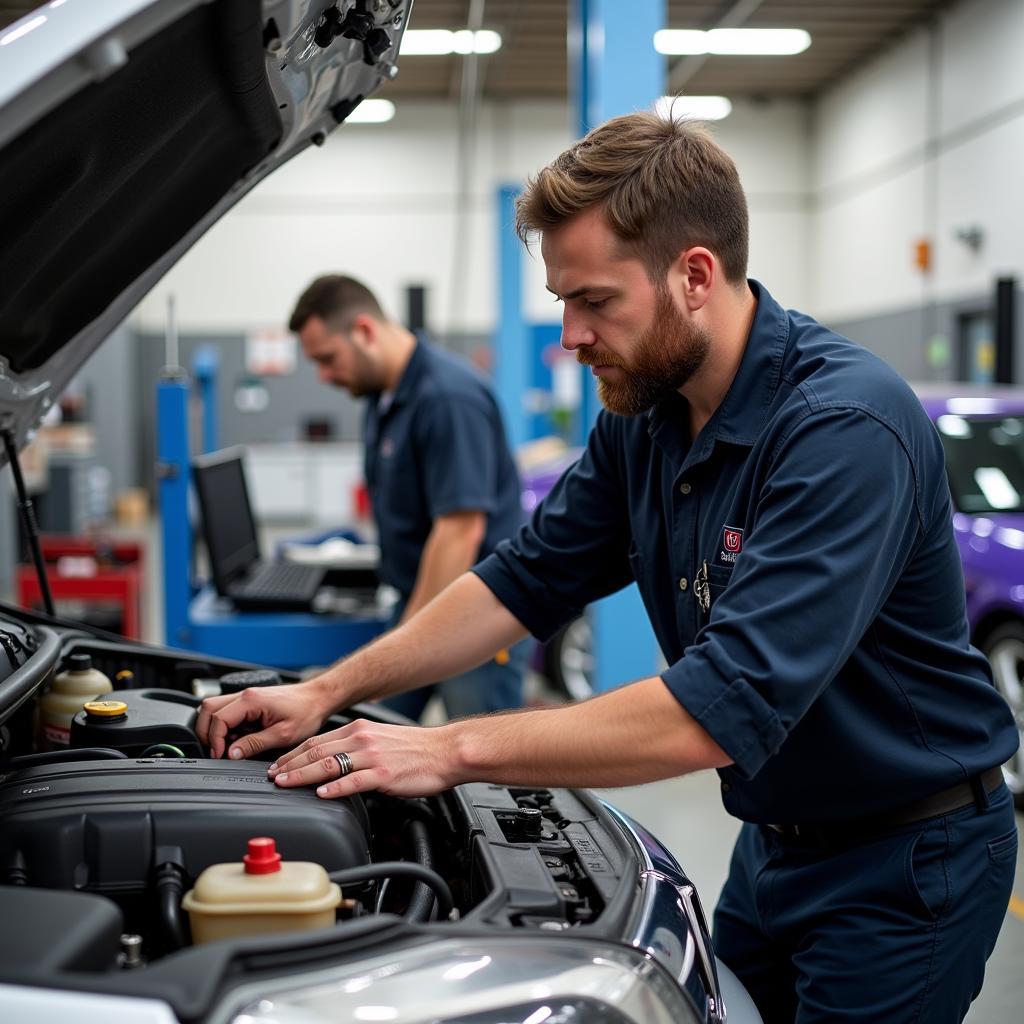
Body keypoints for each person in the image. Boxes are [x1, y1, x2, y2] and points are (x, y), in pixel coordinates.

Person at [197, 113, 1019, 1023]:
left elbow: (717, 709)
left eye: (594, 301)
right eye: (562, 302)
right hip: (777, 842)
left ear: (694, 275)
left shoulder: (841, 429)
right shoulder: (647, 417)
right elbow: (522, 579)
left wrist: (446, 749)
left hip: (906, 859)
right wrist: (329, 689)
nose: (571, 336)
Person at [286, 274, 526, 719]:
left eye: (327, 358)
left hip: (475, 614)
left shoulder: (447, 399)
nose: (323, 376)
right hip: (419, 601)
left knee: (482, 767)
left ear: (364, 331)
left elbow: (460, 530)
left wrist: (403, 646)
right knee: (372, 724)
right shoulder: (383, 399)